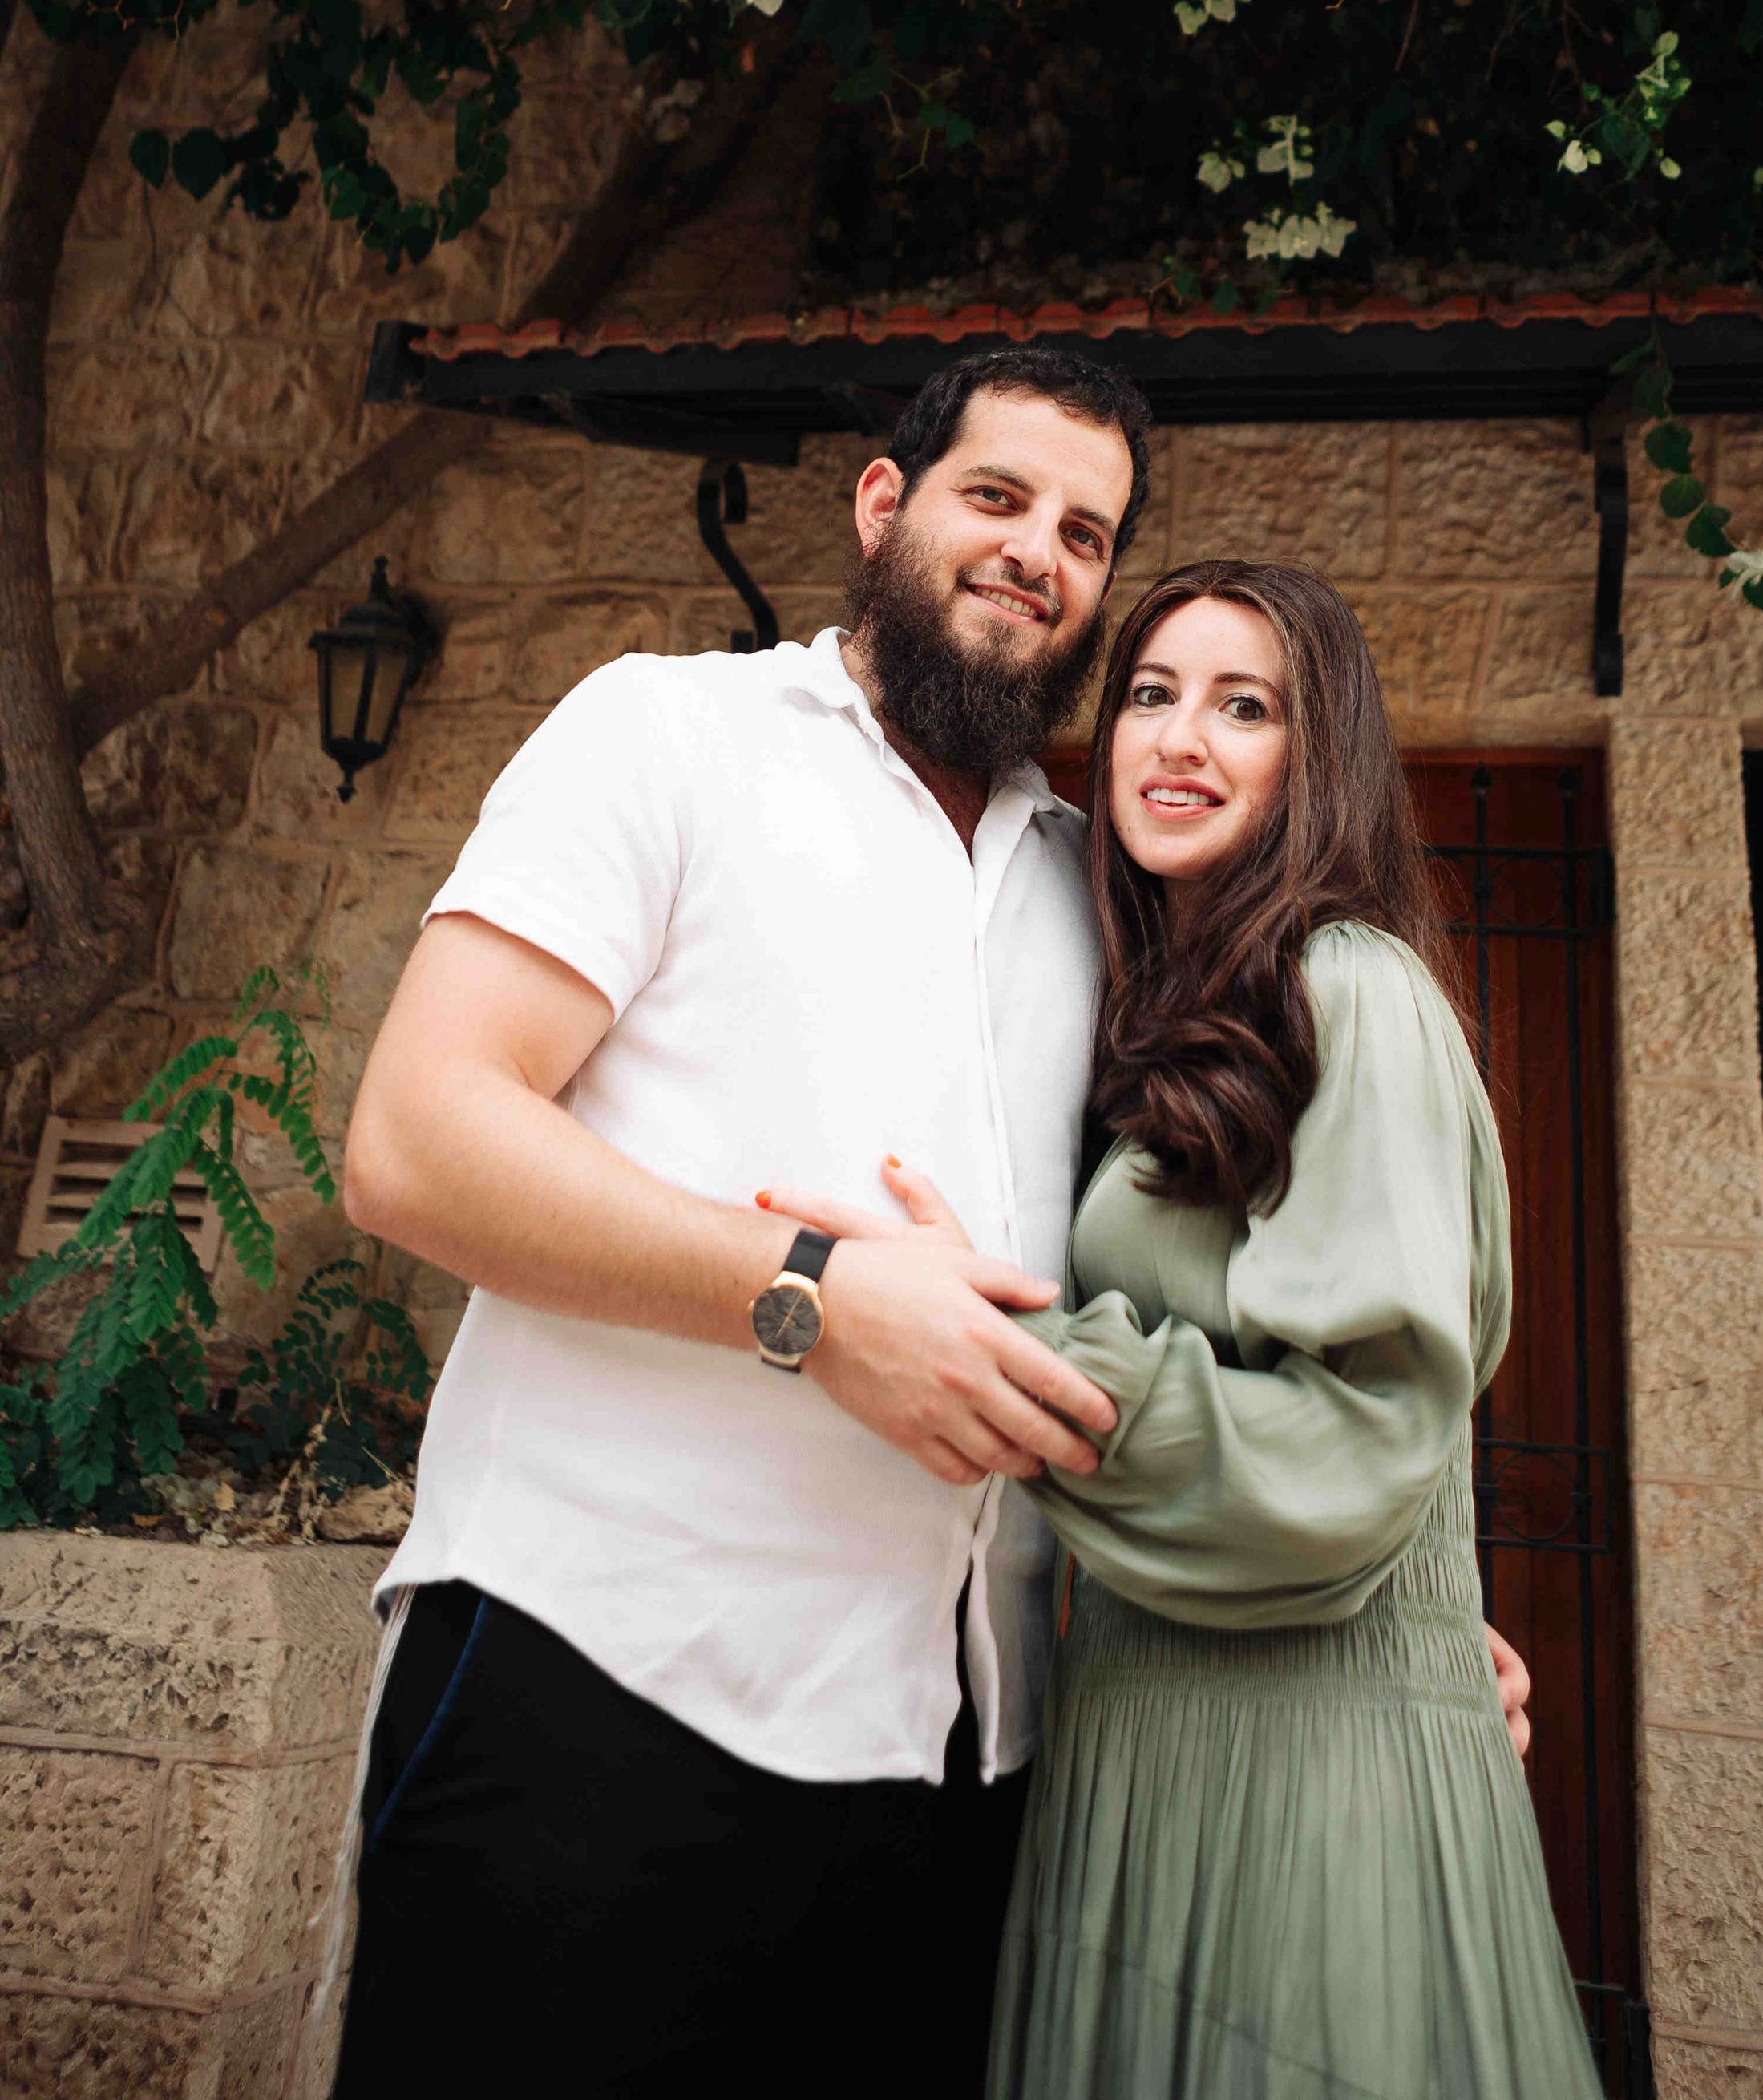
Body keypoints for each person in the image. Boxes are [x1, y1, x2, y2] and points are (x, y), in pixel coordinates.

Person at [337, 348, 1532, 2094]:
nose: (1036, 550)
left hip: (971, 1774)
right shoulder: (666, 730)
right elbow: (416, 1142)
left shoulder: (1095, 886)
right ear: (882, 505)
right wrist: (806, 1295)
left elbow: (1252, 1301)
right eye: (995, 497)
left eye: (1082, 530)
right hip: (602, 1691)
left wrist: (1373, 1607)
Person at [762, 559, 1595, 2100]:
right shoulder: (1156, 1015)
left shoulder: (1351, 991)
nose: (1179, 739)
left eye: (1245, 707)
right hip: (1136, 1732)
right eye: (1150, 695)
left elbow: (1361, 1438)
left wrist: (1005, 1346)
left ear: (1315, 757)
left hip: (1299, 1771)